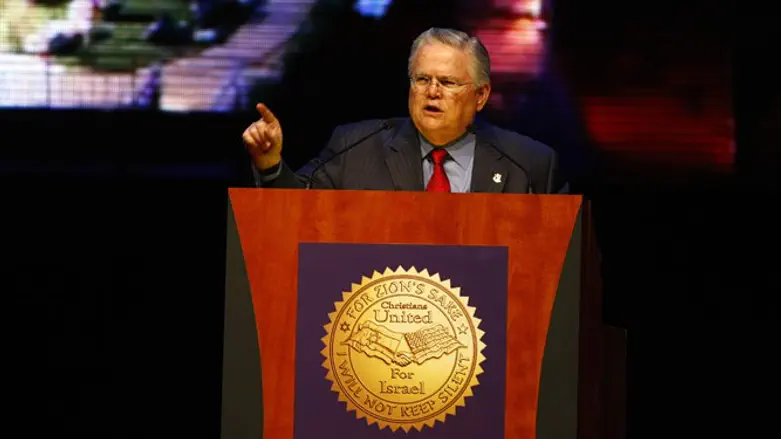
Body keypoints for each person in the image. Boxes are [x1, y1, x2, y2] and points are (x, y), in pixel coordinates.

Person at [242, 27, 568, 194]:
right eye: (422, 79)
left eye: (448, 82)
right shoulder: (355, 147)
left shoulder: (531, 165)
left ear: (481, 96)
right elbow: (292, 212)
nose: (433, 92)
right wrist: (271, 164)